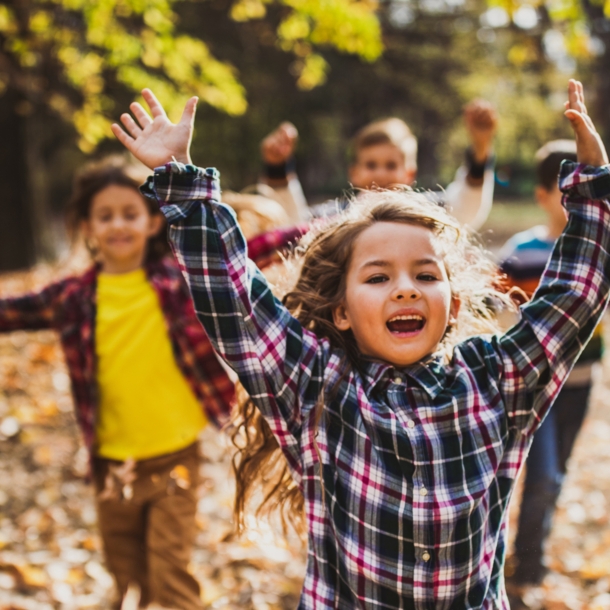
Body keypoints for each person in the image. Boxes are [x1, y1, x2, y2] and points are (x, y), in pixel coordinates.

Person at [112, 80, 610, 609]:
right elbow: (238, 306)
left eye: (425, 274)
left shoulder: (495, 381)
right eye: (377, 278)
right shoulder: (317, 388)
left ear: (455, 306)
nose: (404, 287)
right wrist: (181, 182)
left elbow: (573, 299)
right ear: (341, 312)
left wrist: (593, 188)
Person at [0, 156, 235, 610]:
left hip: (177, 459)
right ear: (87, 227)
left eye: (130, 213)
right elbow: (14, 311)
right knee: (128, 578)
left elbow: (241, 254)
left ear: (151, 221)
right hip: (113, 465)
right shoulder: (73, 298)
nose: (118, 225)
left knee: (171, 575)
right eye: (105, 216)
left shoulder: (175, 281)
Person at [498, 140, 604, 596]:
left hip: (581, 384)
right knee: (539, 476)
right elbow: (499, 312)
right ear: (543, 195)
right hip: (538, 388)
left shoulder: (600, 251)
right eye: (564, 192)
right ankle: (525, 571)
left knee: (555, 476)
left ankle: (531, 555)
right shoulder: (522, 252)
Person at [259, 102, 498, 229]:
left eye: (391, 165)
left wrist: (480, 149)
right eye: (371, 165)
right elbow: (293, 226)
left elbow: (465, 209)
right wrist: (277, 168)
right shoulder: (336, 217)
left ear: (409, 173)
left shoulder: (427, 211)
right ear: (354, 173)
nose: (381, 173)